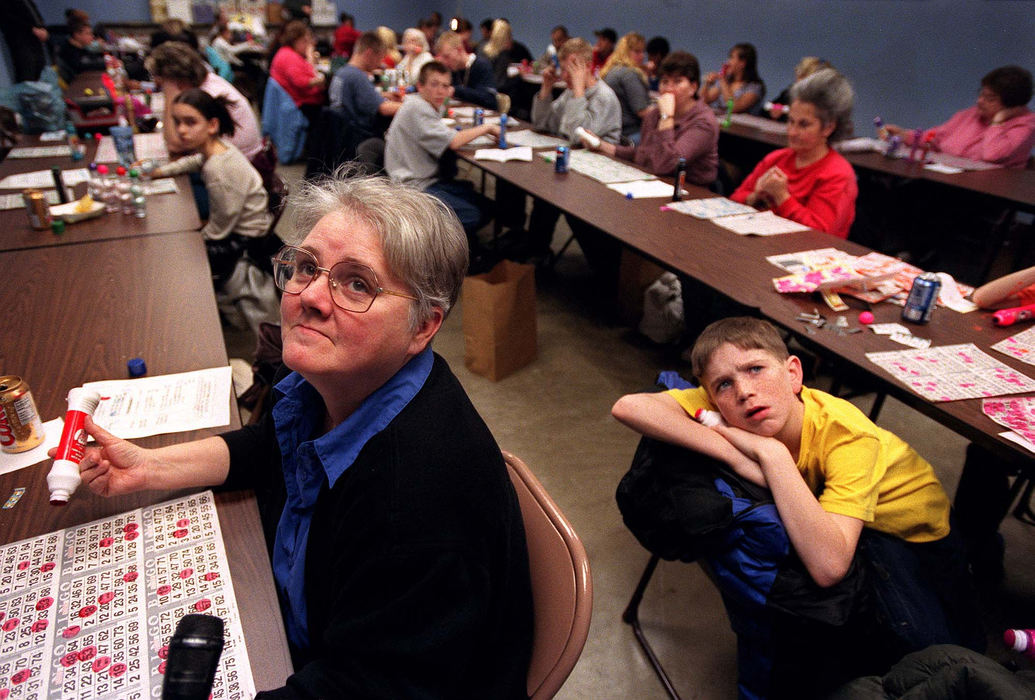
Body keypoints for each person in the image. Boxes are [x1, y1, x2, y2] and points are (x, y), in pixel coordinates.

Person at [67, 172, 534, 697]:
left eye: (357, 283)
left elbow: (360, 687)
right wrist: (150, 466)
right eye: (307, 267)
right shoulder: (337, 381)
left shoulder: (418, 499)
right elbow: (271, 448)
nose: (309, 296)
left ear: (424, 326)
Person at [612, 317, 985, 667]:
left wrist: (772, 456)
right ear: (711, 397)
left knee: (935, 650)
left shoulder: (848, 436)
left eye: (755, 369)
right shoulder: (730, 401)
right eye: (723, 384)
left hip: (908, 528)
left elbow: (828, 567)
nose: (743, 391)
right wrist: (735, 454)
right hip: (843, 514)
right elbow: (629, 406)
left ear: (793, 373)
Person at [149, 88, 274, 331]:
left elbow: (218, 230)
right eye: (177, 122)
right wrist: (162, 172)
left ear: (212, 125)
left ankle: (193, 324)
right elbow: (197, 161)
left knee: (176, 260)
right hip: (240, 229)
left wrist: (188, 241)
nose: (182, 130)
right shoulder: (217, 150)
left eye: (190, 122)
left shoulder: (219, 171)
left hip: (246, 241)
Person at [523, 37, 622, 264]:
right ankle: (536, 252)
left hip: (599, 170)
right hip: (574, 164)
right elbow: (542, 123)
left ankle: (604, 268)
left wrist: (578, 91)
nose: (564, 77)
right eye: (563, 70)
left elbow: (578, 136)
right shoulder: (569, 93)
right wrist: (546, 90)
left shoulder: (604, 97)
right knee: (544, 193)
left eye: (569, 71)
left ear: (586, 67)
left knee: (560, 199)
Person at [384, 61, 500, 254]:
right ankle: (440, 257)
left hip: (422, 176)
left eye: (445, 86)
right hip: (414, 186)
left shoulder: (417, 103)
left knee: (486, 205)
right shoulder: (418, 109)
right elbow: (454, 142)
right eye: (434, 84)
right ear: (421, 86)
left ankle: (468, 250)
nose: (440, 91)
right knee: (473, 214)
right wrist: (486, 128)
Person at [729, 69, 857, 238]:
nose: (792, 132)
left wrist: (782, 197)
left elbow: (820, 235)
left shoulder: (837, 174)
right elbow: (733, 201)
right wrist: (754, 197)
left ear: (828, 128)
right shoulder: (776, 158)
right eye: (790, 121)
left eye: (803, 125)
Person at [582, 51, 718, 186]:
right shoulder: (655, 115)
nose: (669, 89)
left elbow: (666, 164)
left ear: (693, 88)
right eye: (665, 82)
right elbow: (644, 154)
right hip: (656, 183)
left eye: (677, 82)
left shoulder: (703, 122)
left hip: (690, 191)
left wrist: (666, 118)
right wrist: (602, 146)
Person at [883, 65, 1035, 168]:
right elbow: (935, 138)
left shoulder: (1025, 127)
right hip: (943, 181)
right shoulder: (971, 115)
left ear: (1012, 106)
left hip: (983, 195)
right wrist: (904, 135)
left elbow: (992, 155)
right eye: (981, 94)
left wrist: (996, 124)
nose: (980, 101)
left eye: (990, 98)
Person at [145, 42, 262, 160]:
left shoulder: (206, 96)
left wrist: (170, 94)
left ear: (174, 78)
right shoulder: (207, 80)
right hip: (235, 158)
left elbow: (175, 145)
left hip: (240, 165)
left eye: (161, 81)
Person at [328, 30, 402, 139]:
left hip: (343, 135)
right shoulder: (357, 76)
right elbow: (384, 108)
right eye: (379, 58)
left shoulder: (342, 73)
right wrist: (414, 105)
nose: (380, 64)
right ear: (369, 53)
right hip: (359, 137)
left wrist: (384, 95)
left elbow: (355, 97)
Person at [270, 19, 326, 127]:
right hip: (302, 107)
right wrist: (320, 80)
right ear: (297, 40)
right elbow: (301, 82)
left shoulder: (288, 53)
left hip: (299, 103)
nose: (309, 44)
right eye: (306, 41)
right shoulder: (289, 57)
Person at [599, 32, 651, 144]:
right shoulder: (629, 74)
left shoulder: (611, 70)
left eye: (643, 52)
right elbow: (642, 111)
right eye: (637, 52)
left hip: (612, 132)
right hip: (630, 134)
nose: (642, 56)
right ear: (626, 52)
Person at [434, 31, 497, 110]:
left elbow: (489, 100)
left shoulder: (482, 65)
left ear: (459, 50)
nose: (445, 62)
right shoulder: (452, 68)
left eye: (447, 56)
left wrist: (456, 91)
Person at [702, 43, 765, 116]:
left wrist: (722, 80)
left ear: (742, 63)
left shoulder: (754, 87)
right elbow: (702, 101)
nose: (728, 62)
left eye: (731, 58)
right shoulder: (726, 82)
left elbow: (733, 108)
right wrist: (707, 84)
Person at [767, 56, 833, 121]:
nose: (798, 82)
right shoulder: (789, 93)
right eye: (799, 77)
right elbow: (765, 111)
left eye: (804, 78)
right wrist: (773, 113)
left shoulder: (829, 102)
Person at [478, 18, 533, 93]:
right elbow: (500, 84)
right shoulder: (502, 54)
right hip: (495, 96)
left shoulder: (482, 47)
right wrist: (519, 76)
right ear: (506, 37)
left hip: (481, 91)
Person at [3, 0, 48, 83]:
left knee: (40, 69)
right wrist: (32, 29)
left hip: (36, 39)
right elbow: (9, 17)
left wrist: (42, 28)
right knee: (28, 71)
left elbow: (35, 13)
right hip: (21, 40)